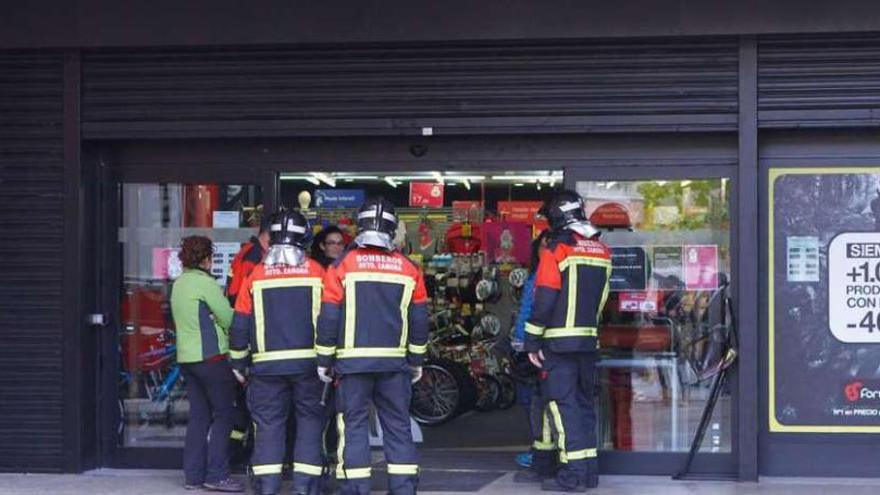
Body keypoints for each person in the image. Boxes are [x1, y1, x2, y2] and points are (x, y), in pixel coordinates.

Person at [315, 197, 429, 495]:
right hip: (395, 365)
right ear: (392, 228)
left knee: (352, 427)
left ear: (360, 225)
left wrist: (324, 359)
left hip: (352, 365)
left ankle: (356, 488)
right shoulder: (409, 268)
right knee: (398, 427)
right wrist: (416, 360)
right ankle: (404, 489)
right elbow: (419, 320)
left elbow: (328, 316)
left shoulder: (342, 266)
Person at [229, 210, 327, 495]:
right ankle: (305, 488)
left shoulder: (256, 274)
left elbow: (240, 322)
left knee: (269, 428)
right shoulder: (317, 272)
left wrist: (238, 360)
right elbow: (331, 318)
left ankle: (267, 487)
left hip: (266, 369)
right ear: (304, 238)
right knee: (309, 425)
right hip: (310, 367)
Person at [522, 190, 611, 492]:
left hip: (558, 345)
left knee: (563, 407)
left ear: (557, 217)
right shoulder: (601, 250)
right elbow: (601, 301)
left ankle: (573, 476)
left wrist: (531, 341)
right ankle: (588, 472)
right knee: (584, 406)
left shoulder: (558, 250)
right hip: (588, 343)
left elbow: (544, 299)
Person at [170, 235, 244, 492]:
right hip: (211, 358)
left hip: (187, 359)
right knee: (224, 415)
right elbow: (229, 317)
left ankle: (193, 476)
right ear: (207, 259)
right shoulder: (206, 284)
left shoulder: (178, 284)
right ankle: (217, 474)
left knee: (199, 417)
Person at [510, 230, 548, 473]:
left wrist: (529, 342)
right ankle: (539, 450)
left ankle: (540, 452)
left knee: (538, 401)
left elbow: (537, 312)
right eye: (542, 246)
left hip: (539, 348)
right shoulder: (536, 276)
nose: (545, 250)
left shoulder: (547, 277)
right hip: (527, 346)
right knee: (530, 399)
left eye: (549, 245)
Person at [226, 219, 271, 305]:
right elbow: (246, 287)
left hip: (238, 302)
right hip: (244, 305)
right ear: (267, 235)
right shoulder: (254, 255)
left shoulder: (249, 249)